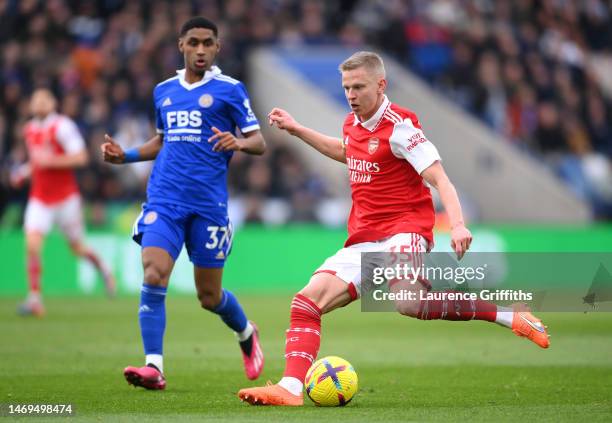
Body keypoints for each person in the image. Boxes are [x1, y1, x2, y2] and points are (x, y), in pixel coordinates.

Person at [237, 51, 550, 406]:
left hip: (405, 230)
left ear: (381, 85)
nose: (351, 95)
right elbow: (347, 152)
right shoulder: (352, 123)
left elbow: (441, 179)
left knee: (408, 303)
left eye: (359, 87)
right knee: (306, 302)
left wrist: (459, 225)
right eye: (346, 88)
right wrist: (297, 129)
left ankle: (509, 314)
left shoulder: (402, 127)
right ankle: (291, 389)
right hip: (364, 237)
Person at [101, 16, 265, 390]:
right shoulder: (163, 91)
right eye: (194, 42)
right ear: (181, 45)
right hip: (165, 199)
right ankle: (154, 367)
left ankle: (245, 331)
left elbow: (259, 141)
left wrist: (238, 143)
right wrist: (123, 156)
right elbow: (161, 141)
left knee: (209, 297)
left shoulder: (230, 89)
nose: (201, 49)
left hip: (208, 207)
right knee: (154, 272)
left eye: (208, 43)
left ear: (218, 47)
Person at [10, 89, 116, 317]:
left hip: (66, 199)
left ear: (53, 103)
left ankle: (104, 269)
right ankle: (35, 299)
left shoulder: (62, 126)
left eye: (43, 99)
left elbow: (81, 157)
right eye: (35, 99)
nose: (38, 103)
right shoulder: (29, 129)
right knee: (32, 245)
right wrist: (23, 173)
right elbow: (37, 162)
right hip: (40, 198)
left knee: (77, 248)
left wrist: (51, 161)